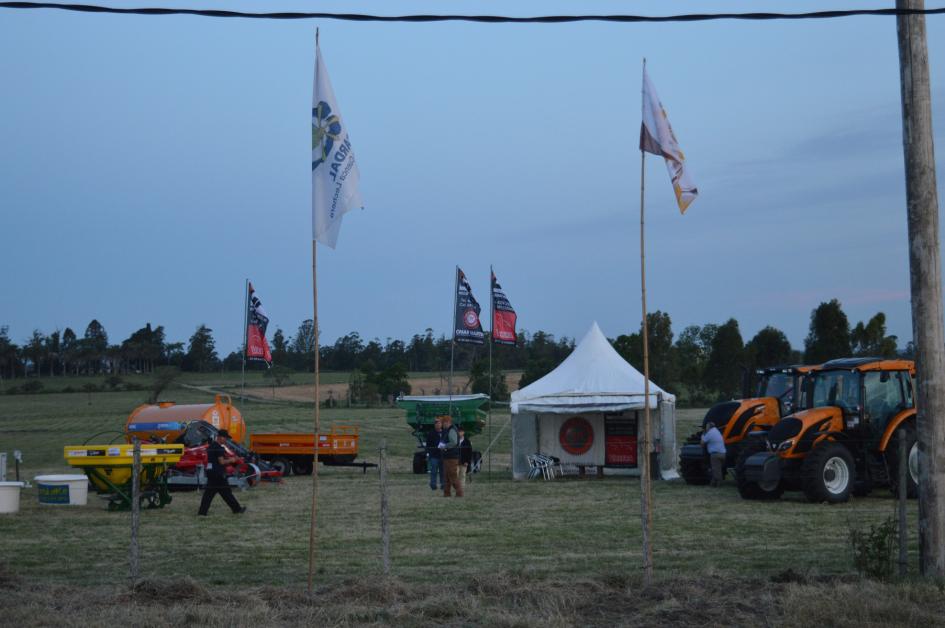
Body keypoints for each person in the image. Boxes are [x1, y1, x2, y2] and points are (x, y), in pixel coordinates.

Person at [198, 429, 246, 515]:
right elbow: (222, 462)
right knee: (226, 493)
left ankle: (202, 512)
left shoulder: (211, 446)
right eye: (225, 438)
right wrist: (232, 459)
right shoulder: (219, 448)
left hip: (211, 472)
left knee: (210, 494)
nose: (226, 440)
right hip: (218, 473)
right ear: (220, 437)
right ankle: (237, 509)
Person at [440, 416, 463, 497]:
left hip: (451, 457)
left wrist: (445, 446)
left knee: (452, 475)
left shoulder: (452, 430)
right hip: (448, 456)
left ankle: (459, 492)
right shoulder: (448, 430)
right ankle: (447, 493)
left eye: (443, 422)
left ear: (447, 422)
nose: (442, 424)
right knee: (446, 476)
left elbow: (453, 442)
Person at [701, 421, 727, 488]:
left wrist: (703, 435)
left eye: (706, 426)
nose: (706, 428)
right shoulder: (716, 431)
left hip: (715, 455)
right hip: (723, 454)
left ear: (709, 427)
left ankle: (718, 484)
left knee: (716, 470)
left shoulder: (710, 433)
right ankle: (712, 484)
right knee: (718, 469)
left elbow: (702, 444)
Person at [425, 419, 445, 491]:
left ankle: (443, 485)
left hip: (443, 455)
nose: (438, 425)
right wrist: (428, 454)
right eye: (436, 423)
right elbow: (428, 445)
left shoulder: (445, 433)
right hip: (434, 456)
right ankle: (433, 485)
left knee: (443, 471)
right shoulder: (431, 433)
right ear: (434, 425)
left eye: (439, 423)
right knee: (433, 471)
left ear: (441, 424)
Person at [457, 427, 473, 492]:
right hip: (456, 461)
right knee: (455, 474)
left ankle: (461, 488)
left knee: (463, 475)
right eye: (458, 432)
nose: (459, 433)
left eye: (461, 431)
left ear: (463, 432)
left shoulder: (467, 441)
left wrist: (467, 461)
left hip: (464, 462)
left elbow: (469, 452)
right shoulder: (455, 441)